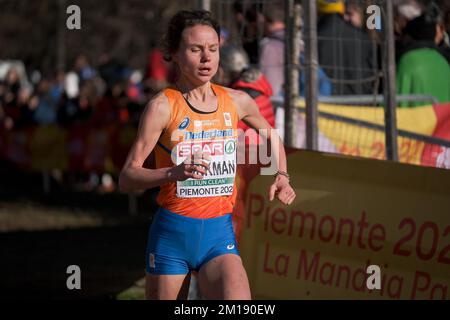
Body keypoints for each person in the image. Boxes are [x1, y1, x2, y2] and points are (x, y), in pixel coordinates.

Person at [119, 10, 296, 300]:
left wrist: (282, 175)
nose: (206, 58)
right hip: (172, 237)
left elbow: (272, 139)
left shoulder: (237, 101)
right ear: (174, 53)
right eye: (195, 49)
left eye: (213, 49)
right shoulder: (162, 107)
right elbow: (127, 178)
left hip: (219, 236)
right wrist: (173, 173)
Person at [396, 2, 450, 107]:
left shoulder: (408, 61)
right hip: (441, 122)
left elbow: (393, 103)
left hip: (414, 121)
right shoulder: (444, 62)